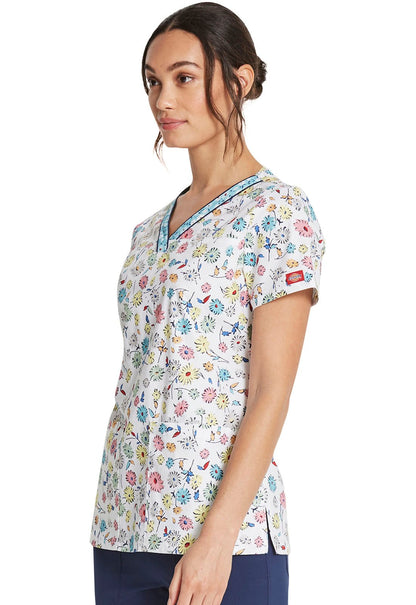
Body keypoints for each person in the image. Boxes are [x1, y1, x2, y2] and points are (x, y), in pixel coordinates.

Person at [89, 2, 326, 604]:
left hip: (224, 543)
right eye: (153, 81)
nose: (163, 99)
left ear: (238, 81)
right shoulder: (147, 231)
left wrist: (216, 539)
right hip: (121, 528)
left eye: (184, 78)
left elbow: (270, 390)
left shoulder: (277, 213)